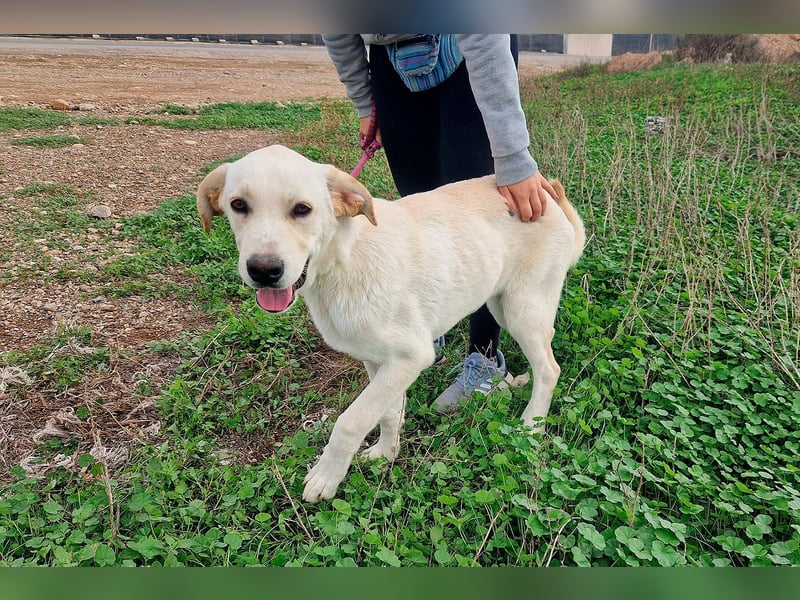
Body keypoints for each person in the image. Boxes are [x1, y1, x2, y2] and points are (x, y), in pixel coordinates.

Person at [322, 34, 557, 412]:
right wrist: (366, 102)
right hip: (391, 59)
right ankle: (426, 329)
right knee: (422, 208)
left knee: (474, 222)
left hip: (466, 43)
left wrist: (512, 156)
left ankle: (485, 359)